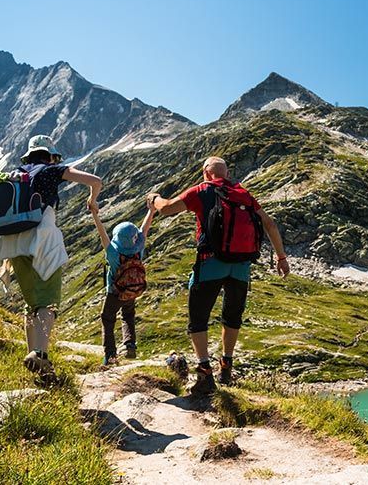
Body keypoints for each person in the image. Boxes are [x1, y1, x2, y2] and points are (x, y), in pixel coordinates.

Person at [0, 135, 102, 383]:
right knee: (47, 303)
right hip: (43, 240)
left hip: (13, 243)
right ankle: (40, 353)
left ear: (27, 156)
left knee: (31, 303)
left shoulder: (11, 176)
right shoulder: (51, 170)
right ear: (50, 155)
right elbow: (95, 180)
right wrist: (92, 199)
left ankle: (36, 360)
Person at [147, 156, 290, 394]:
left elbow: (167, 209)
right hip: (241, 267)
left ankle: (204, 373)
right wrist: (281, 257)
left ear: (206, 172)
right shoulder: (243, 194)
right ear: (226, 173)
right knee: (232, 317)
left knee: (198, 318)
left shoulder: (202, 190)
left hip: (211, 263)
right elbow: (270, 224)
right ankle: (226, 365)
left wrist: (154, 198)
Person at [91, 198, 155, 365]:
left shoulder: (113, 254)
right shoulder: (138, 250)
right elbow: (144, 230)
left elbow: (102, 234)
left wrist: (95, 215)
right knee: (128, 315)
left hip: (114, 292)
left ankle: (110, 355)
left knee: (108, 319)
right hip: (132, 291)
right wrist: (151, 210)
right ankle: (130, 344)